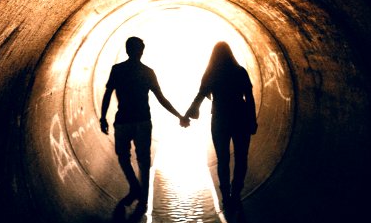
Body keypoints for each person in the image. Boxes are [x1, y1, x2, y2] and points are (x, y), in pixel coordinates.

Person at [100, 36, 189, 204]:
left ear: (128, 50)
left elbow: (108, 94)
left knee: (123, 156)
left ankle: (135, 188)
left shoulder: (118, 70)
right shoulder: (147, 72)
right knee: (144, 159)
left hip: (123, 121)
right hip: (142, 121)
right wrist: (179, 116)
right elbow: (161, 98)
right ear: (141, 51)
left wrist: (103, 117)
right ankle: (143, 197)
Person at [185, 41, 257, 208]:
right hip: (241, 117)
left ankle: (225, 195)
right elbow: (250, 97)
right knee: (241, 157)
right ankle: (236, 192)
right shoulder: (240, 71)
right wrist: (252, 120)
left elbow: (200, 96)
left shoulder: (211, 73)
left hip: (220, 118)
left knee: (222, 159)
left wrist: (188, 114)